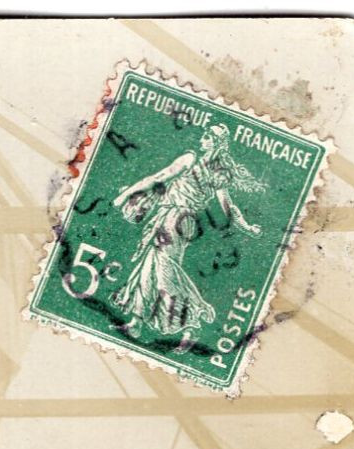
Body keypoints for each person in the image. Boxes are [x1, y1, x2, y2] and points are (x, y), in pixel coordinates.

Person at [109, 122, 265, 341]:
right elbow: (229, 207)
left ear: (214, 142)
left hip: (175, 219)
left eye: (206, 136)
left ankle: (193, 312)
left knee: (162, 267)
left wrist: (125, 196)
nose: (202, 139)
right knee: (153, 264)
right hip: (183, 222)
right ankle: (138, 322)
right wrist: (247, 227)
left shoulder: (192, 161)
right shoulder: (215, 172)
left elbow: (158, 178)